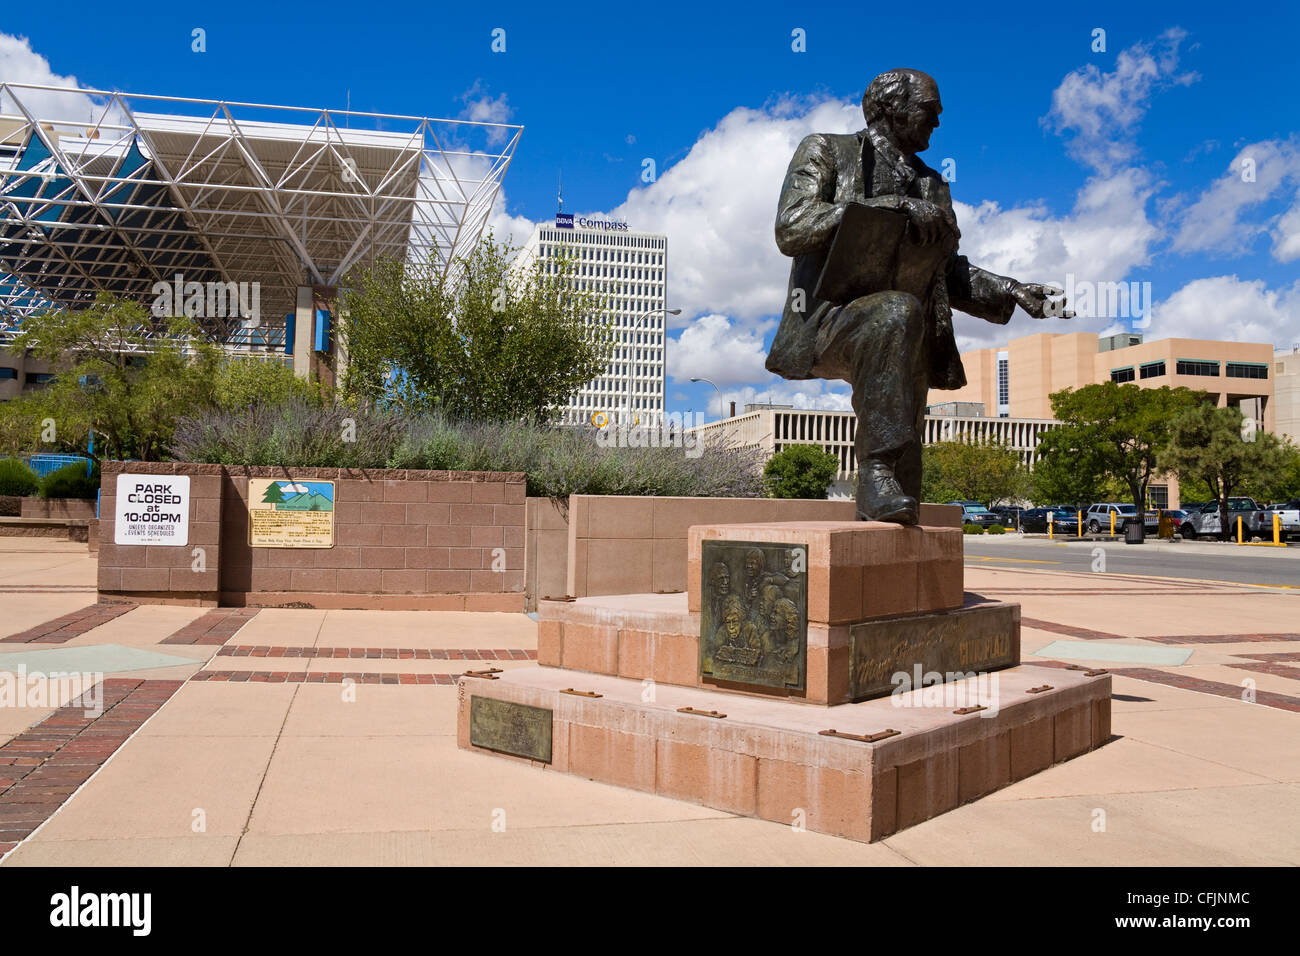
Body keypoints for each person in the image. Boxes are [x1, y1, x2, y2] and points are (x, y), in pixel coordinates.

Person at [767, 68, 1070, 524]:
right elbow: (792, 227)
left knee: (905, 480)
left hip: (903, 332)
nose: (938, 123)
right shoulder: (828, 150)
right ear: (892, 109)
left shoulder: (932, 185)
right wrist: (885, 206)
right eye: (930, 111)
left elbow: (945, 270)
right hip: (829, 320)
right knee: (897, 310)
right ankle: (872, 471)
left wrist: (1014, 290)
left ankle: (889, 514)